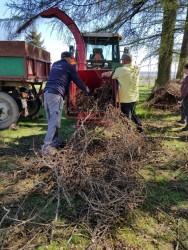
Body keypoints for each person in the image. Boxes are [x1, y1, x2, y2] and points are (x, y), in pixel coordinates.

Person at [41, 51, 90, 155]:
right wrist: (86, 90)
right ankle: (46, 146)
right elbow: (77, 80)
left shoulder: (55, 64)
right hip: (55, 94)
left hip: (47, 93)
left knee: (51, 119)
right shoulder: (69, 66)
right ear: (69, 58)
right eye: (71, 59)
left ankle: (55, 141)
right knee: (54, 121)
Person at [101, 53, 143, 132]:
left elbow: (110, 75)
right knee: (133, 113)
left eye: (122, 60)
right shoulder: (136, 69)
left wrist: (102, 74)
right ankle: (139, 128)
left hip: (125, 99)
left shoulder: (120, 70)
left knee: (125, 116)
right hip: (134, 97)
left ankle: (128, 133)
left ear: (123, 61)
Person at [179, 63, 188, 131]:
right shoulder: (186, 77)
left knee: (187, 111)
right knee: (183, 108)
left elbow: (186, 89)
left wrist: (181, 97)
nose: (184, 70)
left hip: (186, 97)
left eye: (185, 69)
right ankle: (182, 120)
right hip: (185, 97)